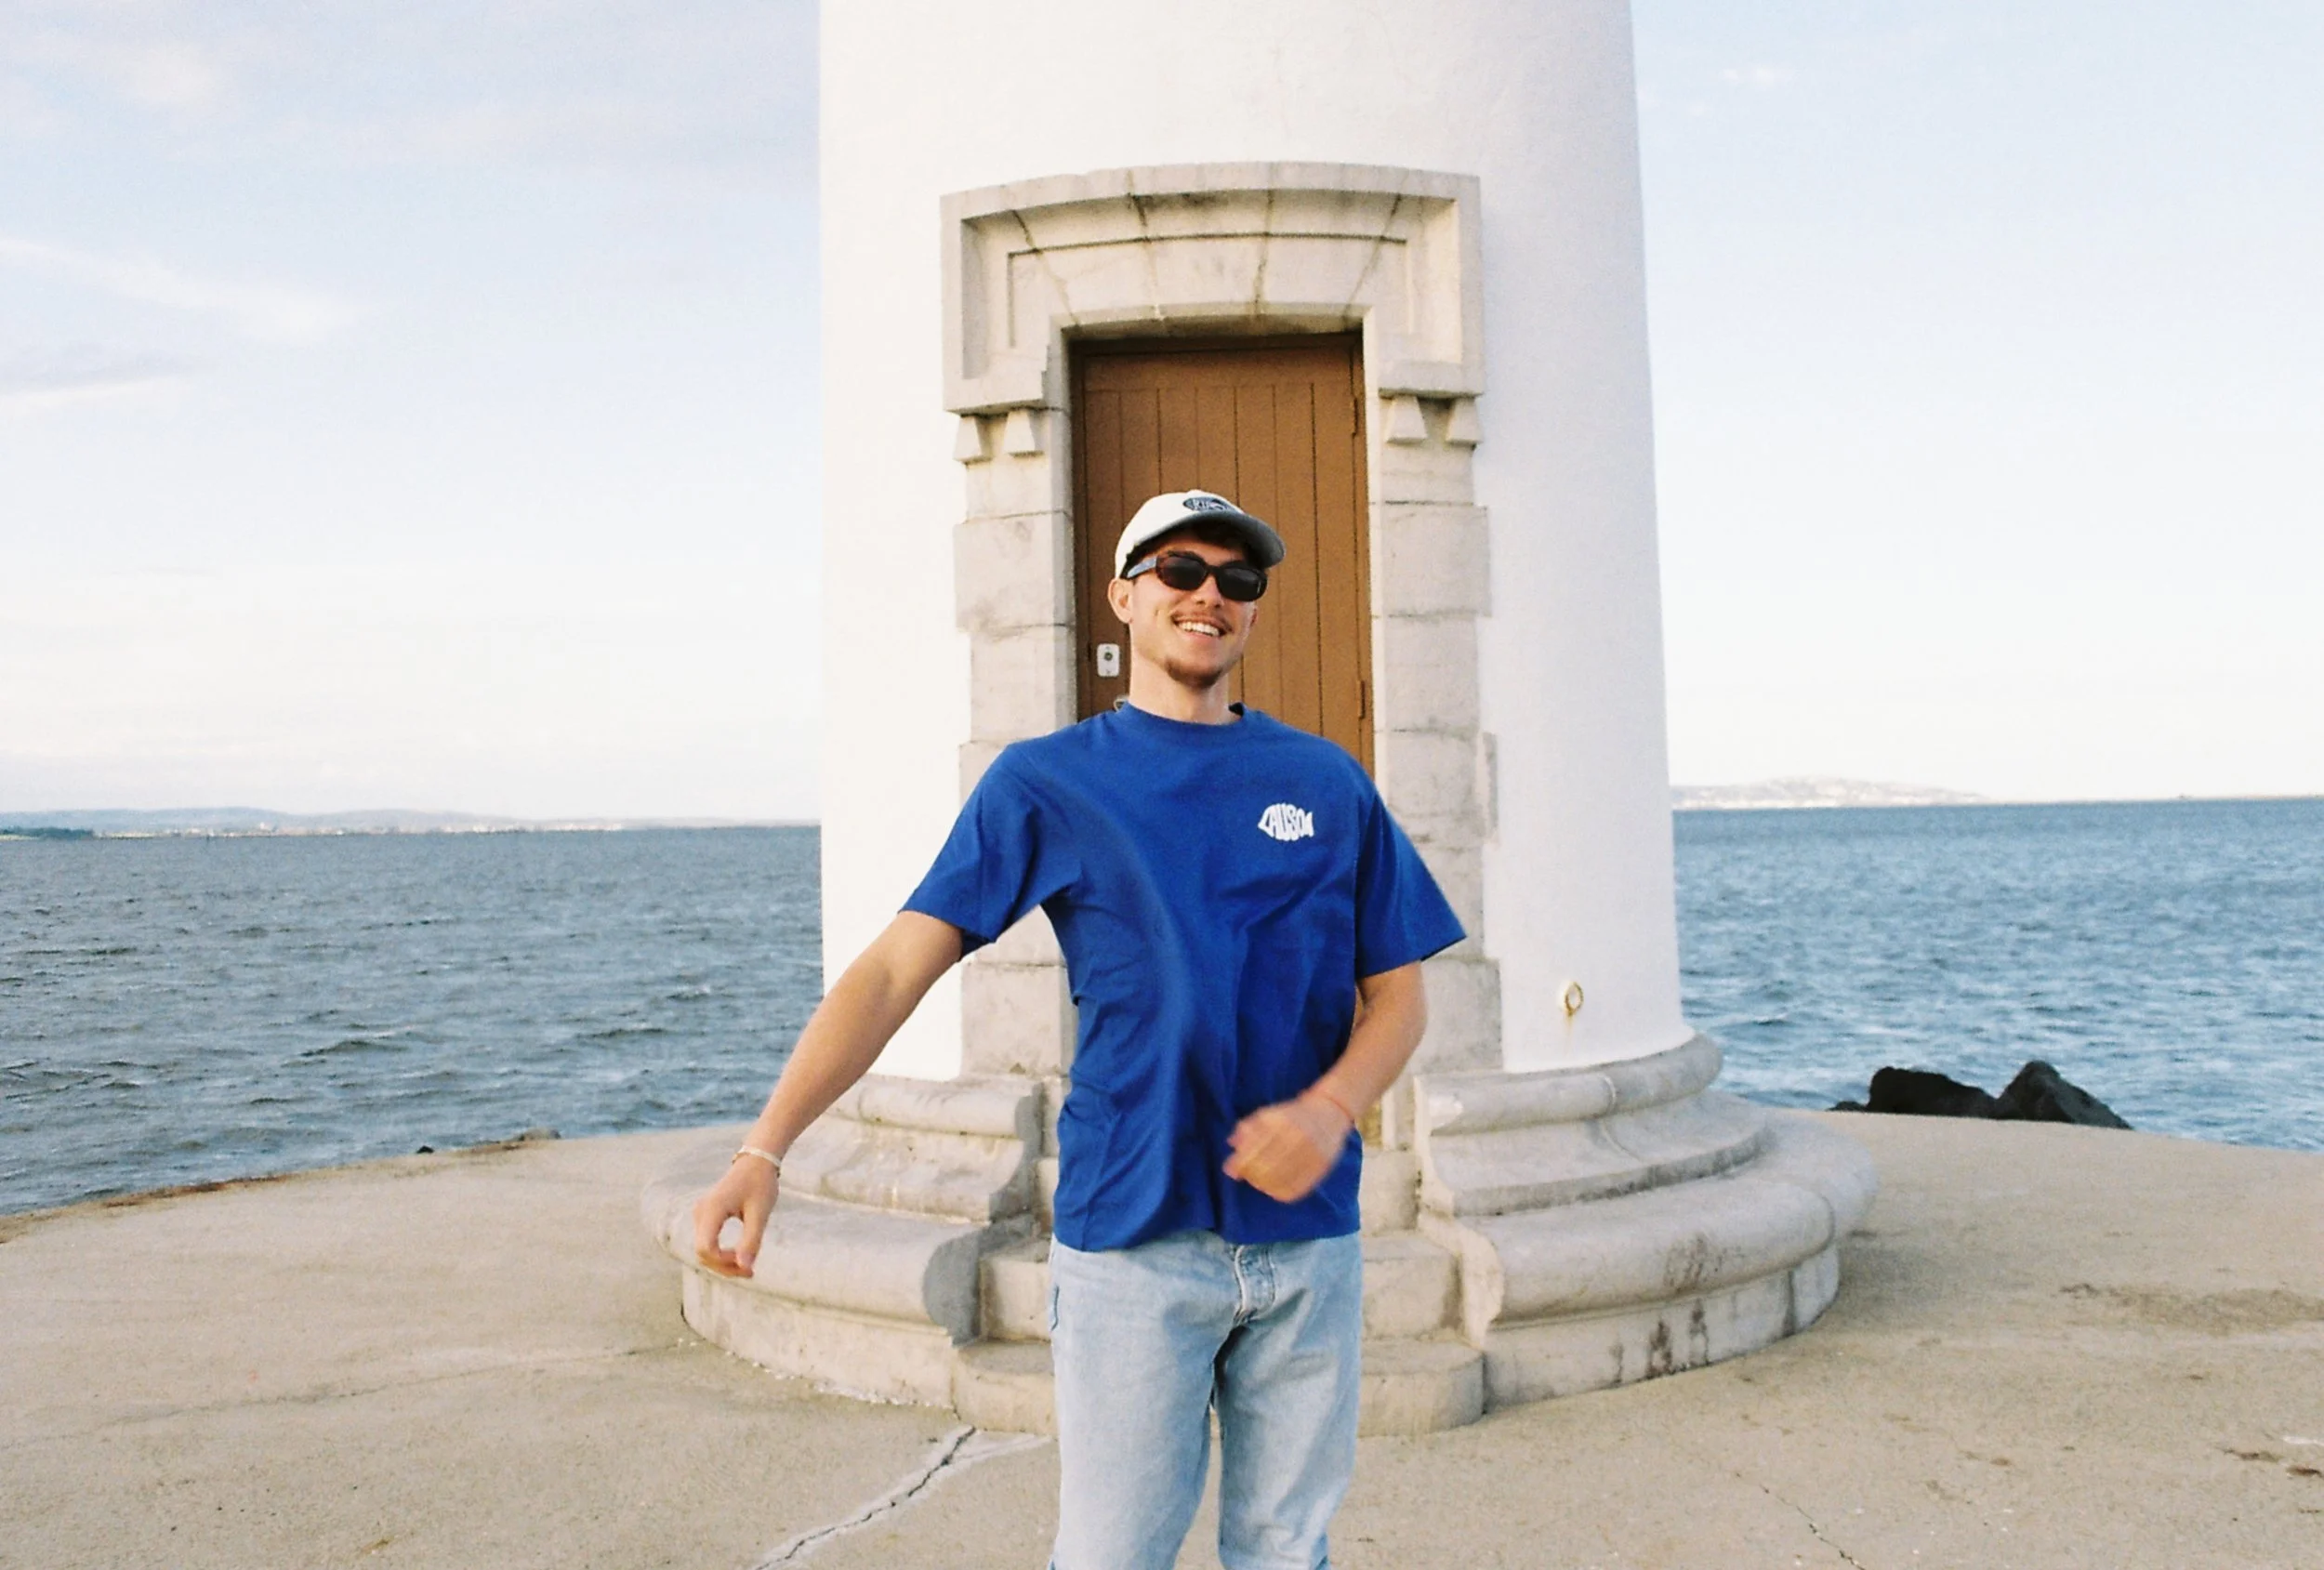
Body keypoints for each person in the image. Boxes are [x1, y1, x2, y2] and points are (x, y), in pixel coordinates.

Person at [693, 488, 1464, 1569]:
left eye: (1238, 580)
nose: (1210, 596)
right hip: (1131, 1242)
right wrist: (763, 1147)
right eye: (1180, 572)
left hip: (1307, 1249)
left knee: (1289, 1551)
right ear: (1122, 596)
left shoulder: (1323, 780)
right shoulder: (1047, 782)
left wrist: (1332, 1108)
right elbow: (889, 973)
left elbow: (1400, 996)